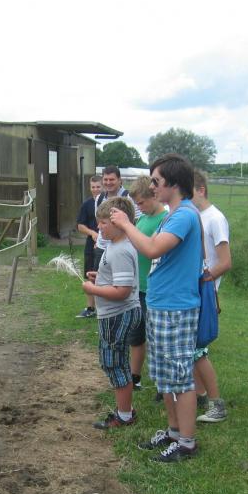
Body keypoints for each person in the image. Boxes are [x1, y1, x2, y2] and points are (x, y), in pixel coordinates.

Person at [109, 153, 203, 463]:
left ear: (173, 184)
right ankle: (174, 432)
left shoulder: (184, 215)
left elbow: (151, 248)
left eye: (156, 181)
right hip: (162, 305)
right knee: (165, 377)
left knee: (180, 378)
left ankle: (187, 442)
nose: (152, 186)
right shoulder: (172, 215)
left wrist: (125, 223)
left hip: (176, 308)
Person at [83, 196, 141, 429]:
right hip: (116, 314)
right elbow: (118, 280)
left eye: (104, 223)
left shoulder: (120, 251)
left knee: (115, 363)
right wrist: (100, 277)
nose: (99, 227)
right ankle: (124, 410)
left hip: (118, 315)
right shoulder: (116, 246)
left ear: (118, 223)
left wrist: (93, 289)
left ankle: (124, 415)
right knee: (116, 362)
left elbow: (123, 291)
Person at [191, 169, 231, 423]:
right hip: (194, 289)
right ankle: (199, 395)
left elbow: (225, 262)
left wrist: (203, 280)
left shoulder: (215, 218)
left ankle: (217, 405)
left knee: (199, 350)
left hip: (203, 291)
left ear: (201, 190)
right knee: (192, 348)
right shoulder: (196, 215)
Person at [127, 176, 168, 391]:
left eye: (141, 202)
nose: (139, 207)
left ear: (154, 195)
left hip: (154, 289)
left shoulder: (165, 220)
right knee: (136, 335)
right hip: (138, 287)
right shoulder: (142, 219)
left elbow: (152, 249)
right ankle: (135, 377)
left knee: (157, 339)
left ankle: (164, 384)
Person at [93, 166, 135, 272]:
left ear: (119, 180)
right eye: (105, 179)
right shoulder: (99, 198)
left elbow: (135, 222)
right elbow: (98, 219)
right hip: (102, 247)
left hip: (120, 246)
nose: (108, 183)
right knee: (100, 278)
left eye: (112, 179)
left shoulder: (129, 197)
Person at [75, 175, 103, 318]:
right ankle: (90, 308)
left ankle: (104, 308)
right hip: (90, 246)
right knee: (90, 275)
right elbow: (80, 226)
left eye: (98, 187)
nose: (95, 189)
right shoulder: (86, 205)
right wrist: (92, 233)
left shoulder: (107, 202)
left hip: (106, 246)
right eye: (93, 187)